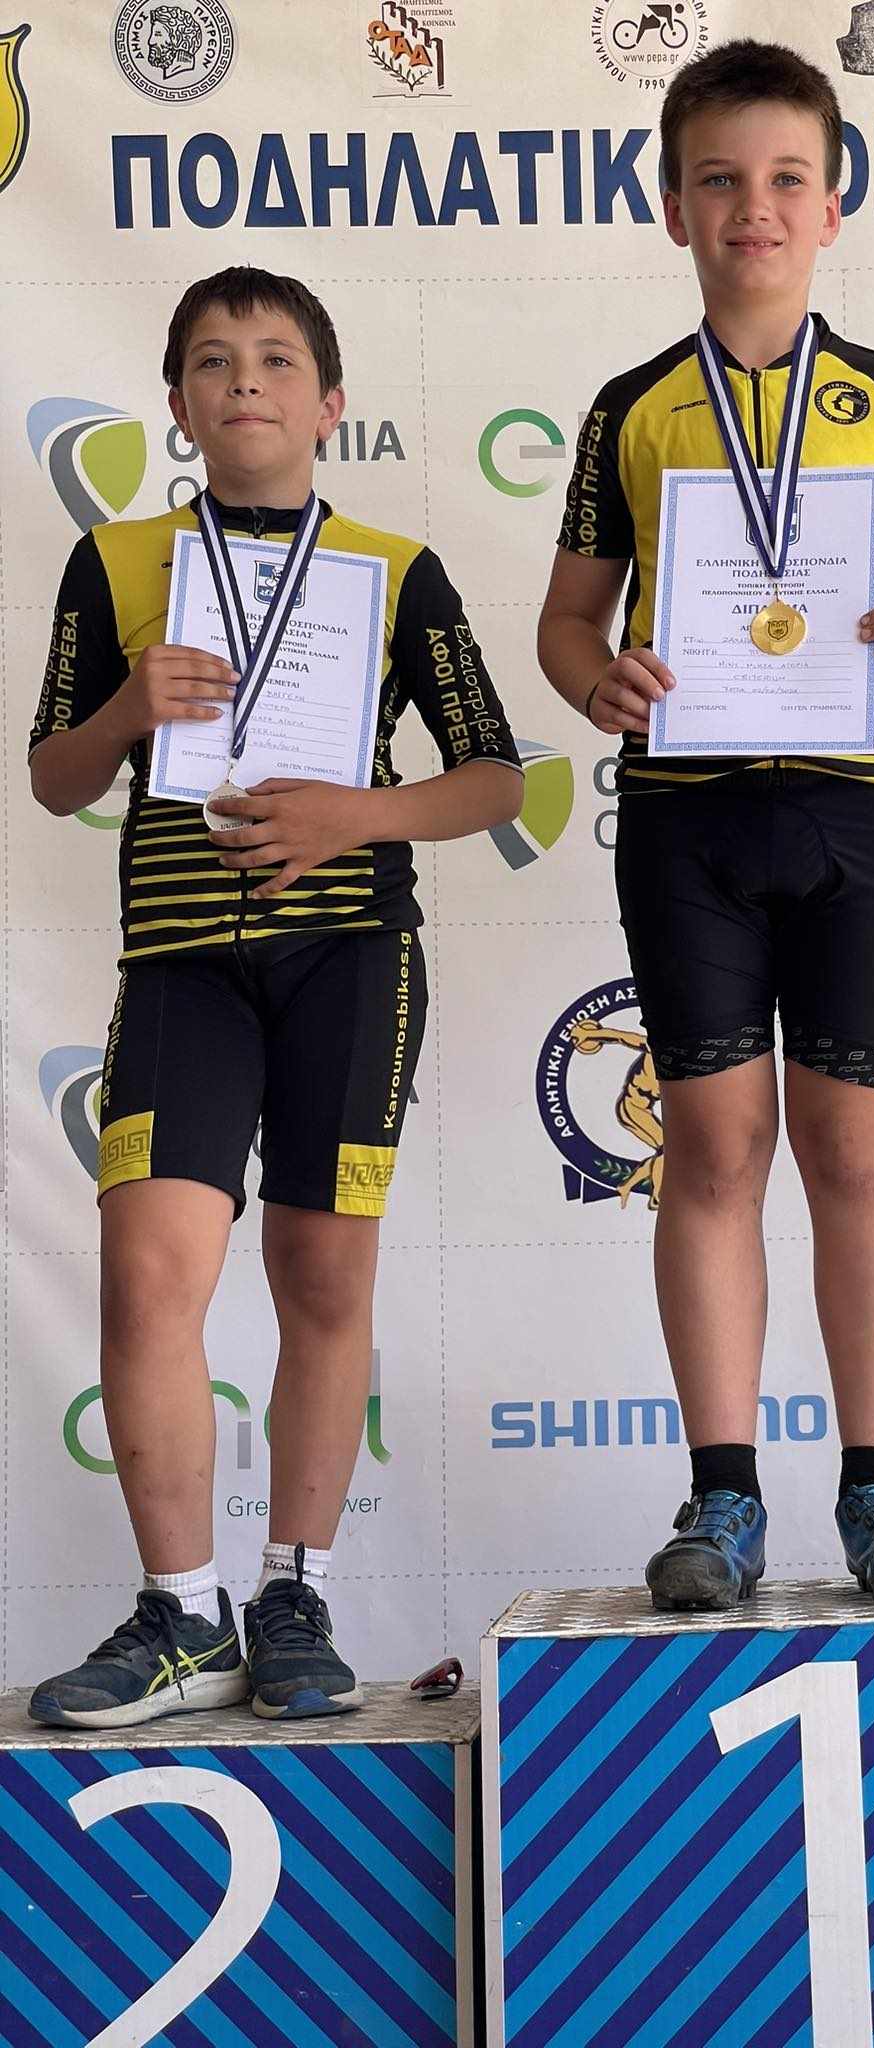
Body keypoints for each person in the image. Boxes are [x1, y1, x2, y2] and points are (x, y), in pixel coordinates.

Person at [27, 265, 523, 1725]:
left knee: (322, 1278)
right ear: (177, 406)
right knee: (148, 1277)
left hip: (349, 958)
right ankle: (182, 1612)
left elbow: (495, 777)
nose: (246, 378)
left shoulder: (394, 567)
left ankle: (293, 1591)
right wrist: (131, 706)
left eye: (278, 358)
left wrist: (353, 816)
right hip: (181, 965)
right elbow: (53, 775)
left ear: (331, 404)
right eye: (212, 359)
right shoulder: (117, 562)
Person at [538, 39, 874, 1610]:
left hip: (865, 811)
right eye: (720, 179)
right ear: (673, 206)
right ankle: (723, 1494)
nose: (756, 207)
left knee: (852, 1146)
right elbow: (569, 622)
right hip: (691, 818)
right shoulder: (630, 410)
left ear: (835, 204)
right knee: (715, 1148)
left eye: (788, 177)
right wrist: (597, 680)